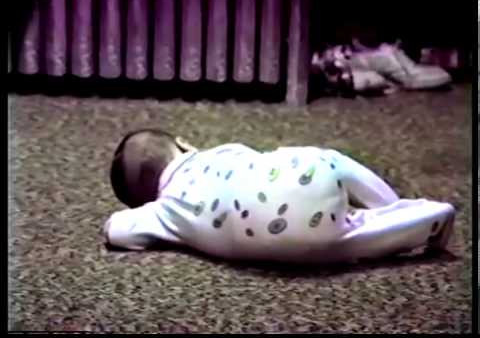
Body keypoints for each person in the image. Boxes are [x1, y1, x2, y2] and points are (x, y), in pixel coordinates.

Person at [103, 128, 455, 264]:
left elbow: (115, 230)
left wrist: (145, 224)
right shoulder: (217, 154)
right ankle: (393, 206)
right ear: (183, 144)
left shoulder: (163, 213)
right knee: (331, 162)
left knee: (349, 241)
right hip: (299, 177)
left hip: (290, 243)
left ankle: (418, 221)